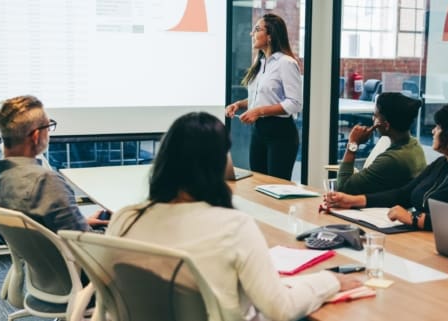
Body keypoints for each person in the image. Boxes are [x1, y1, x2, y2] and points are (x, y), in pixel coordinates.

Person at [106, 112, 361, 321]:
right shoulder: (234, 227)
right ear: (217, 164)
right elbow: (280, 309)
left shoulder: (124, 219)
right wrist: (331, 280)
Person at [325, 104, 448, 231]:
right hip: (419, 239)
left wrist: (414, 219)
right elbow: (403, 194)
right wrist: (353, 201)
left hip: (441, 250)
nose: (433, 132)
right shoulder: (443, 164)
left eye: (438, 128)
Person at [0, 95, 108, 241]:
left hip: (36, 261)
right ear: (36, 136)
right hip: (81, 260)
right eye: (48, 126)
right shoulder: (46, 182)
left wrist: (79, 223)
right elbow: (85, 243)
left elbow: (41, 229)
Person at [225, 13, 302, 181]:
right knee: (258, 185)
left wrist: (258, 111)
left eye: (257, 29)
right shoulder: (259, 62)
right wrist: (239, 104)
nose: (252, 34)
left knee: (276, 188)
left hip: (281, 135)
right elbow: (262, 96)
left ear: (270, 35)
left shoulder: (286, 63)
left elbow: (295, 103)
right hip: (258, 132)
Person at [337, 92, 426, 195]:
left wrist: (353, 143)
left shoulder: (392, 159)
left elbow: (343, 187)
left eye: (375, 115)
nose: (373, 119)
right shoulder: (414, 145)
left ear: (386, 125)